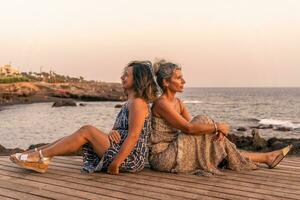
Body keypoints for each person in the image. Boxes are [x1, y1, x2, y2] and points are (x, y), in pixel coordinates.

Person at [10, 60, 159, 175]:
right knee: (77, 134)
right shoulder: (130, 102)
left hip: (131, 158)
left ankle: (41, 157)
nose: (122, 77)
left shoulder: (138, 103)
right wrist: (112, 132)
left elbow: (134, 136)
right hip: (122, 150)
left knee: (86, 131)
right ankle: (33, 154)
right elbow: (123, 129)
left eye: (127, 75)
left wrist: (116, 163)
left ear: (138, 80)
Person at [149, 59, 292, 175]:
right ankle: (266, 157)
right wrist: (217, 127)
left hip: (177, 148)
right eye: (179, 78)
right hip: (163, 156)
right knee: (204, 121)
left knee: (209, 133)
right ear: (166, 82)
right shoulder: (162, 104)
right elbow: (189, 128)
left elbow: (195, 127)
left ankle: (267, 158)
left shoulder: (178, 103)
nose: (184, 81)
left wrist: (215, 131)